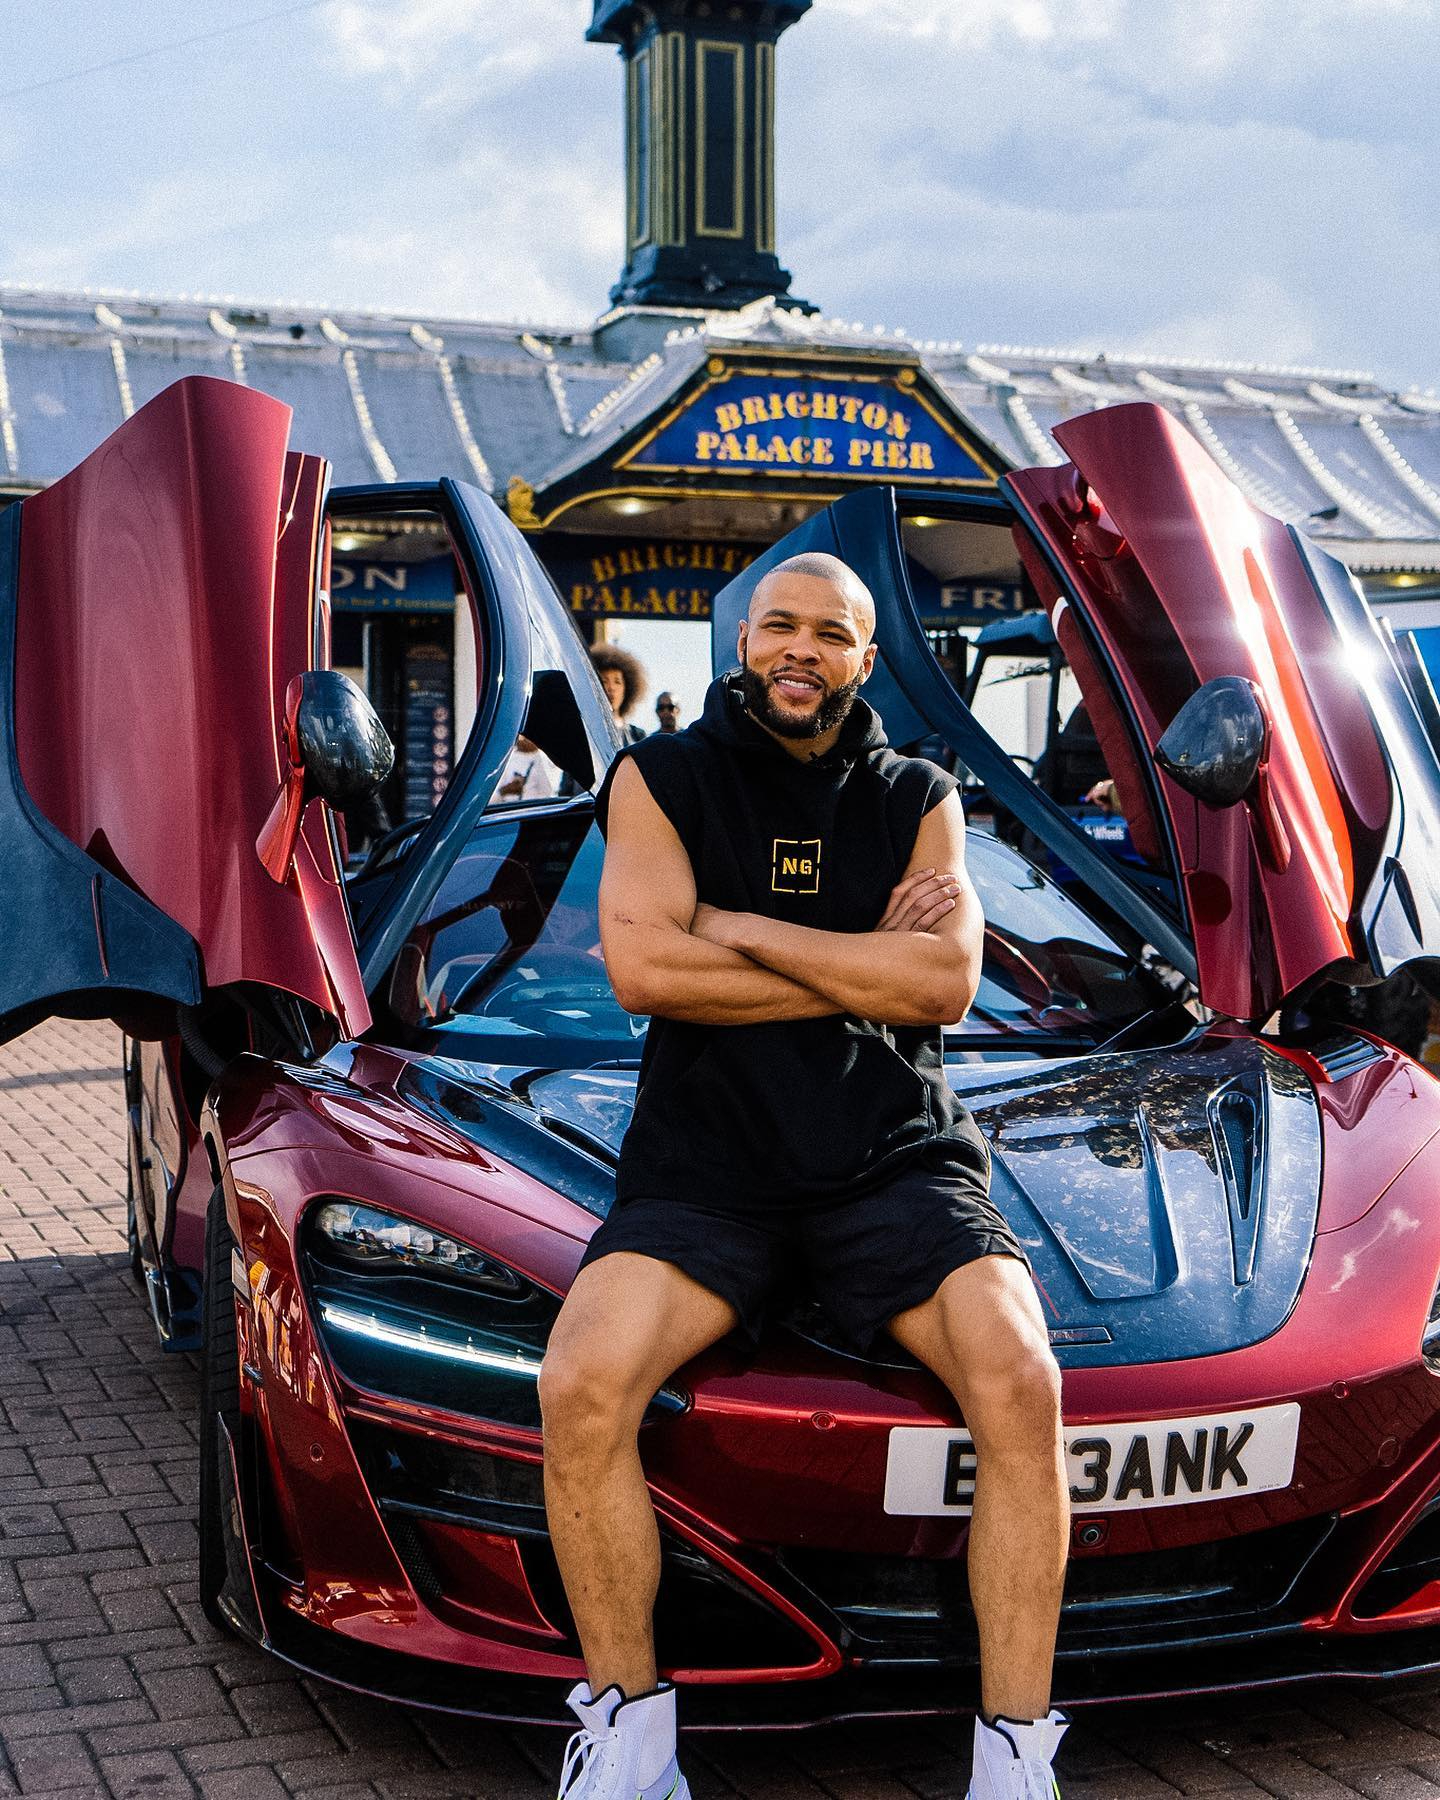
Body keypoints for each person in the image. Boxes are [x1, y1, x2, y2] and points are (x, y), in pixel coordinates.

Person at [540, 554, 1070, 1800]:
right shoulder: (658, 776)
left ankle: (1014, 1761)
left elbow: (941, 987)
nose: (800, 649)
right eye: (779, 624)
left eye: (830, 634)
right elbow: (647, 977)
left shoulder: (918, 793)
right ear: (739, 642)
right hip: (704, 1166)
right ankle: (628, 1742)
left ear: (865, 660)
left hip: (890, 1154)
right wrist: (857, 960)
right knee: (580, 1383)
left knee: (1024, 1380)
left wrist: (738, 926)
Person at [590, 643, 649, 744]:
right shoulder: (589, 730)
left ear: (627, 689)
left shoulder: (637, 736)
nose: (611, 687)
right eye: (604, 681)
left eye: (617, 682)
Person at [496, 733, 557, 802]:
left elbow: (546, 792)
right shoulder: (507, 757)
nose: (523, 740)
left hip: (528, 808)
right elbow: (494, 796)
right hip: (507, 808)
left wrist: (526, 796)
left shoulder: (540, 758)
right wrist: (506, 790)